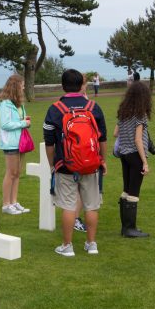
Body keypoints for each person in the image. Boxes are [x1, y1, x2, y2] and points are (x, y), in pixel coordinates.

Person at [44, 69, 107, 257]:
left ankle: (67, 245)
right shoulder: (93, 107)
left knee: (69, 205)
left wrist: (52, 165)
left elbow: (49, 143)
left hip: (65, 165)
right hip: (91, 165)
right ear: (82, 86)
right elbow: (102, 138)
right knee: (91, 204)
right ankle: (91, 243)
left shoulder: (55, 109)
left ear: (63, 86)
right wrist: (102, 160)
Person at [112, 81, 152, 238]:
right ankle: (130, 229)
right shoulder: (140, 115)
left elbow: (116, 133)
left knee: (126, 189)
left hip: (124, 154)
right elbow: (138, 140)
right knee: (134, 191)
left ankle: (126, 227)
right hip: (135, 155)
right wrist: (145, 161)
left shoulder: (123, 112)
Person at [0, 74, 32, 215]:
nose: (23, 87)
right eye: (22, 85)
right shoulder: (5, 104)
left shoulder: (18, 104)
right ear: (15, 86)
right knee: (11, 173)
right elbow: (5, 124)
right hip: (10, 143)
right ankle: (6, 204)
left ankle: (14, 202)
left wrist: (24, 120)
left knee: (17, 173)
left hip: (20, 142)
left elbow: (17, 120)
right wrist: (23, 123)